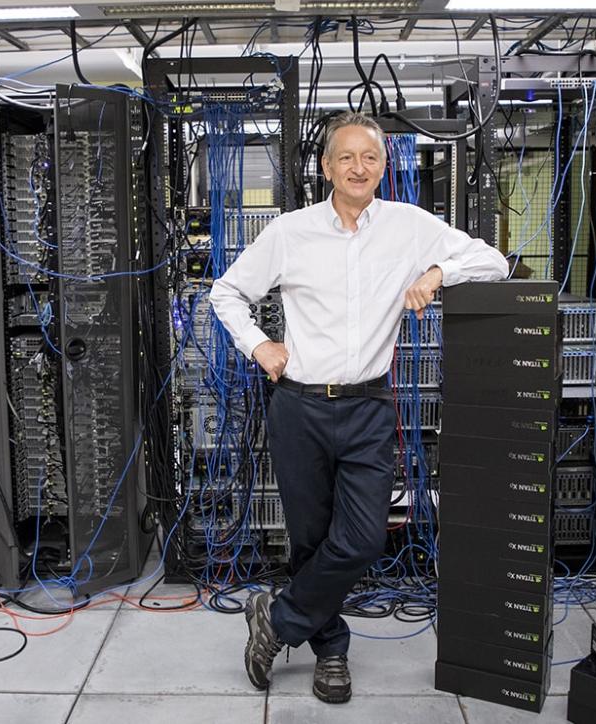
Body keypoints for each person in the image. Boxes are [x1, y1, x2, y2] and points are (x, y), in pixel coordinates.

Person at [209, 111, 509, 703]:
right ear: (326, 167)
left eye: (370, 157)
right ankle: (331, 652)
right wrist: (259, 343)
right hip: (298, 406)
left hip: (368, 404)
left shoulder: (409, 227)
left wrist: (438, 271)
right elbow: (227, 291)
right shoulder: (290, 232)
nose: (358, 167)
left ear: (384, 165)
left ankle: (278, 617)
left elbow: (494, 261)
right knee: (310, 539)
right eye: (346, 157)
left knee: (366, 536)